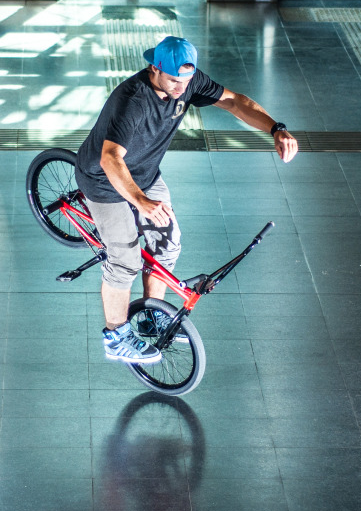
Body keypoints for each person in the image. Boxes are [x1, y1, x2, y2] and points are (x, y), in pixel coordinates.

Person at [74, 36, 298, 363]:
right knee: (125, 260)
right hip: (104, 181)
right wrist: (140, 201)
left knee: (168, 244)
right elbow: (110, 159)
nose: (182, 87)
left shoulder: (189, 81)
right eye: (174, 80)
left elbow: (234, 101)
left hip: (145, 175)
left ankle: (153, 316)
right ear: (155, 68)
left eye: (187, 79)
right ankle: (115, 335)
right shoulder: (132, 100)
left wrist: (276, 128)